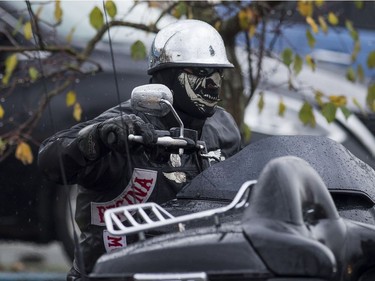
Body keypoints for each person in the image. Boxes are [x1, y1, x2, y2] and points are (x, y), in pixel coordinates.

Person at [38, 19, 242, 280]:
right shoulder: (122, 127)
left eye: (218, 73)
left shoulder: (223, 128)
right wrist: (98, 139)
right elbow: (50, 161)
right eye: (201, 71)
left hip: (194, 271)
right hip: (112, 273)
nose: (213, 82)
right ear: (166, 75)